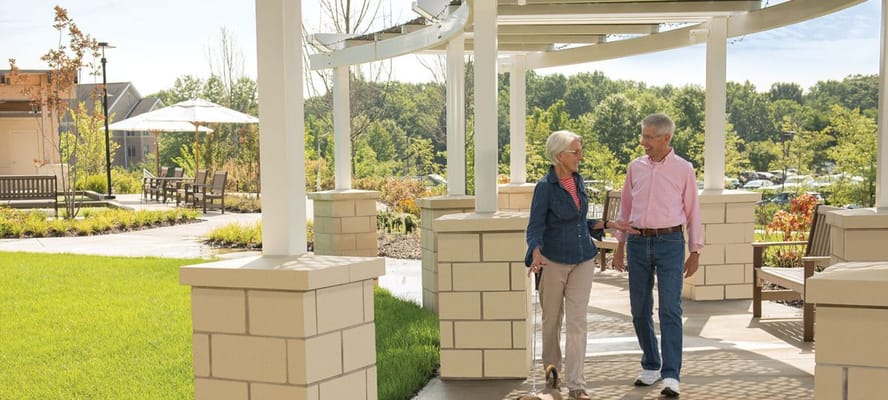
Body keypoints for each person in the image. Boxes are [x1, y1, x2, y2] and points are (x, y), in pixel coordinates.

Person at [525, 130, 635, 400]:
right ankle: (552, 377)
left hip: (583, 258)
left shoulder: (578, 180)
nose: (580, 157)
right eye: (576, 152)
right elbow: (536, 226)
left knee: (577, 323)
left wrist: (608, 224)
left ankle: (577, 384)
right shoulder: (545, 187)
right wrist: (536, 252)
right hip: (552, 261)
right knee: (552, 321)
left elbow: (577, 223)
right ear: (559, 155)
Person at [612, 113, 703, 397]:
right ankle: (651, 364)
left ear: (667, 138)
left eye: (649, 137)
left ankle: (671, 375)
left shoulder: (684, 169)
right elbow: (625, 209)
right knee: (639, 309)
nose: (643, 142)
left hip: (671, 243)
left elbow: (693, 211)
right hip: (638, 242)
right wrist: (620, 244)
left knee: (670, 310)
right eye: (643, 136)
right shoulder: (635, 167)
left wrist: (695, 250)